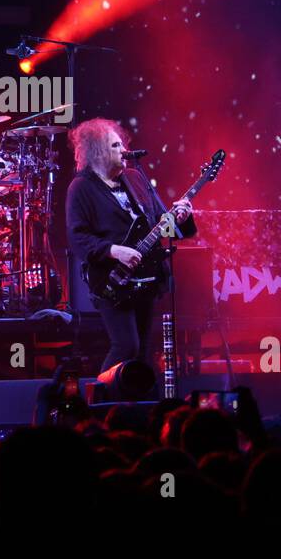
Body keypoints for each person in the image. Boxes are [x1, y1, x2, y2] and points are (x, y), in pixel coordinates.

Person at [64, 118, 196, 373]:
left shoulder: (134, 178)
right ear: (98, 152)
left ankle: (138, 406)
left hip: (145, 277)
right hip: (112, 279)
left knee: (145, 350)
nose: (123, 149)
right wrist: (114, 250)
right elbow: (78, 237)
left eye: (122, 143)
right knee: (126, 346)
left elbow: (160, 226)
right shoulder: (81, 187)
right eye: (115, 145)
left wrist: (181, 218)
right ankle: (99, 398)